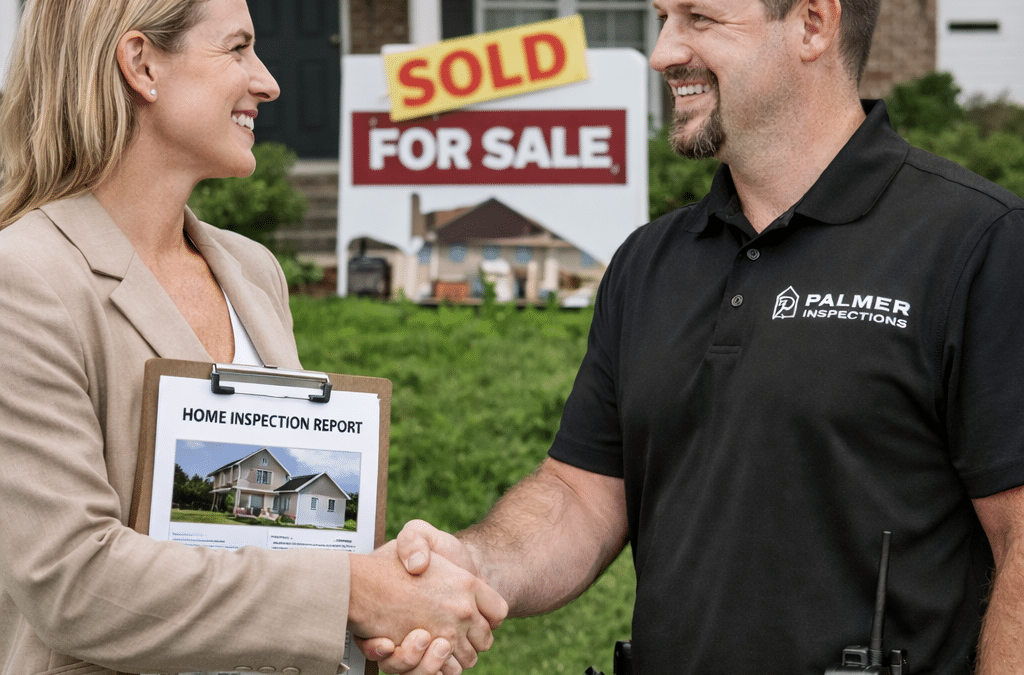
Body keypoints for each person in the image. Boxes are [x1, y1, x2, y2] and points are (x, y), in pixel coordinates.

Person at [363, 0, 1024, 673]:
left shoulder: (976, 245)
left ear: (813, 24)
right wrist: (472, 564)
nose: (663, 53)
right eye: (663, 18)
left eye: (700, 18)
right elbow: (583, 497)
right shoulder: (648, 262)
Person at [0, 2, 506, 675]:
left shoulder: (252, 270)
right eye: (237, 48)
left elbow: (281, 549)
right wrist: (354, 593)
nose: (268, 82)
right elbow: (74, 580)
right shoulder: (24, 277)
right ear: (141, 65)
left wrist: (388, 589)